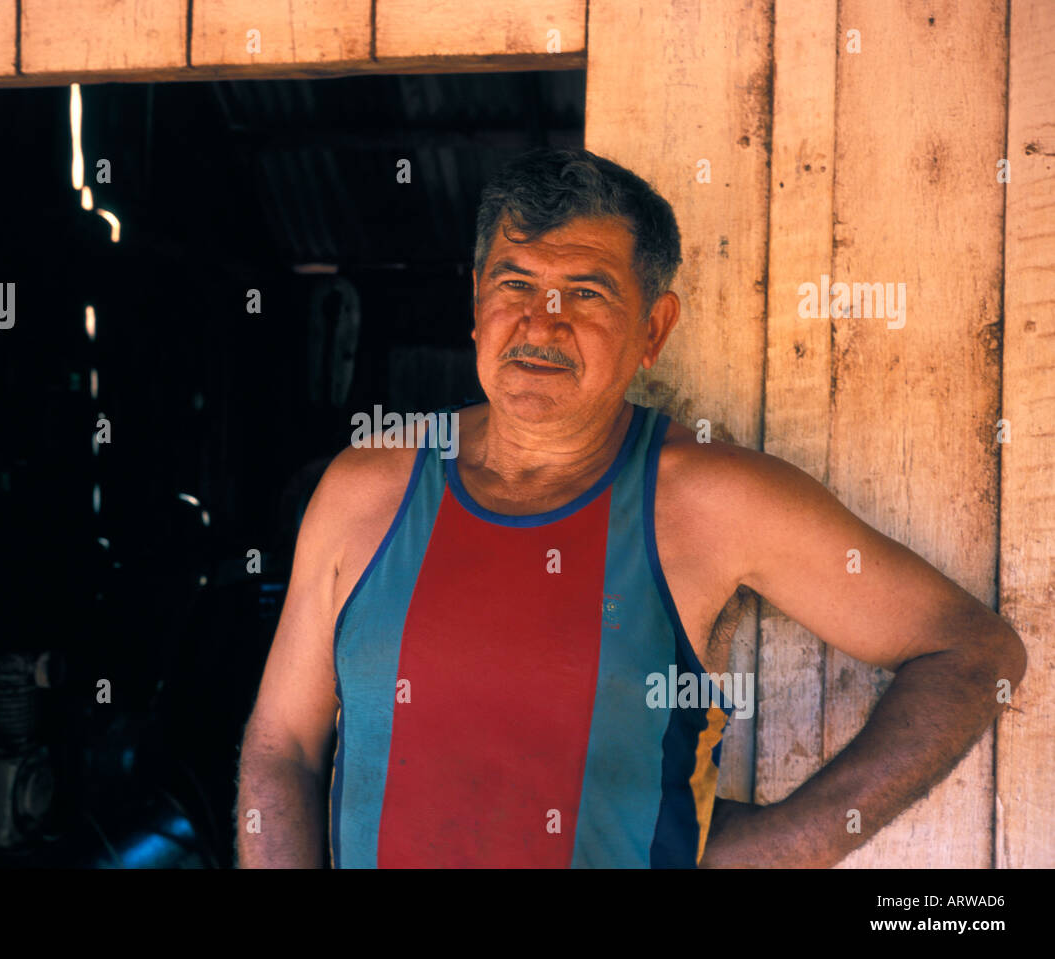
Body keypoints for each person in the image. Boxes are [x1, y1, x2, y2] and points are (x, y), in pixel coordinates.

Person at [235, 148, 1026, 868]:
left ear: (654, 328)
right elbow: (283, 746)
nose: (541, 321)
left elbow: (971, 652)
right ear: (476, 305)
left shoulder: (707, 499)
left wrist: (794, 844)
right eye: (515, 283)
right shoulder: (365, 488)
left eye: (585, 292)